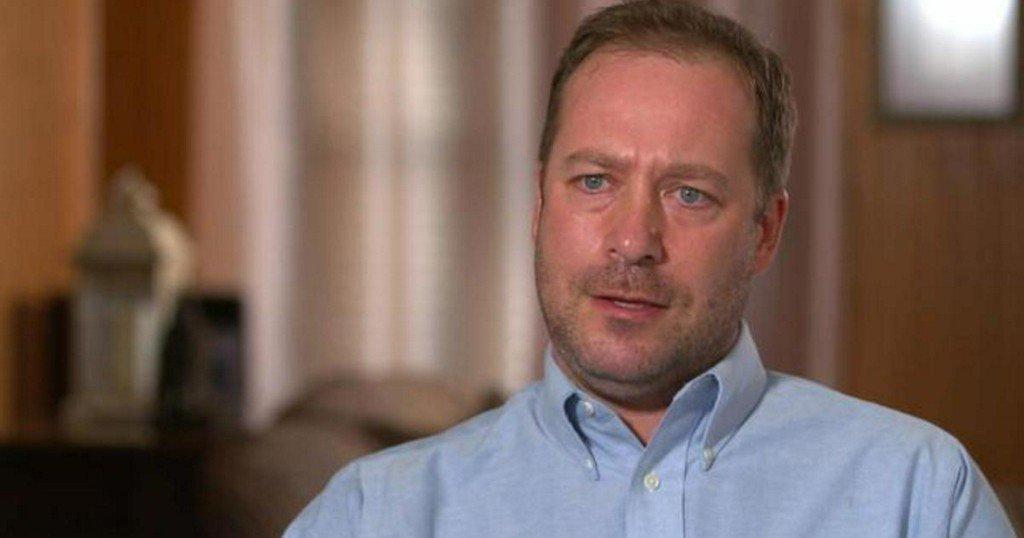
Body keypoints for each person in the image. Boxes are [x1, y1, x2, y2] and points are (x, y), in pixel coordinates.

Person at [286, 1, 1015, 536]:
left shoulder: (918, 495)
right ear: (540, 205)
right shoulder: (373, 515)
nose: (633, 240)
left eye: (689, 194)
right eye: (594, 181)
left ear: (765, 231)